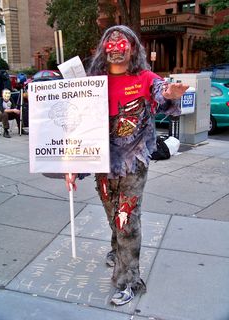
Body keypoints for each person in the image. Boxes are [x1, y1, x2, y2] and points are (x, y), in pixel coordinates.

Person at [64, 25, 189, 306]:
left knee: (126, 220)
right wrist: (71, 166)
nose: (118, 45)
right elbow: (77, 127)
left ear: (133, 48)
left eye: (124, 42)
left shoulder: (145, 77)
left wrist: (170, 92)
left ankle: (129, 280)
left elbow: (161, 90)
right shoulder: (93, 83)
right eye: (112, 41)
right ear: (103, 48)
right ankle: (117, 249)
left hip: (134, 163)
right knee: (114, 215)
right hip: (103, 164)